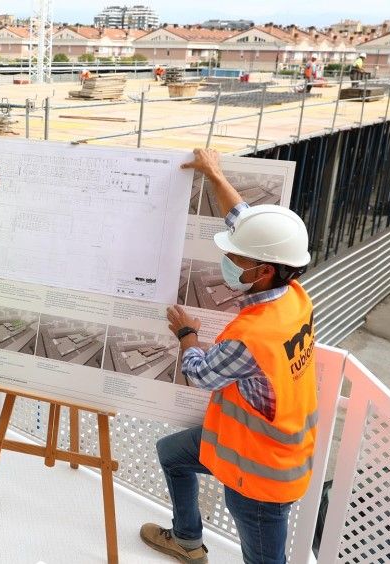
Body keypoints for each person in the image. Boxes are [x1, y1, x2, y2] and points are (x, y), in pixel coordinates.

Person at [139, 148, 317, 564]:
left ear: (264, 270)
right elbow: (246, 223)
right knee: (172, 454)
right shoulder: (294, 295)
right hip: (249, 443)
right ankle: (187, 541)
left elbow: (200, 374)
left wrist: (187, 334)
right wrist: (214, 174)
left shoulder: (255, 336)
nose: (228, 261)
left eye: (236, 257)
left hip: (260, 473)